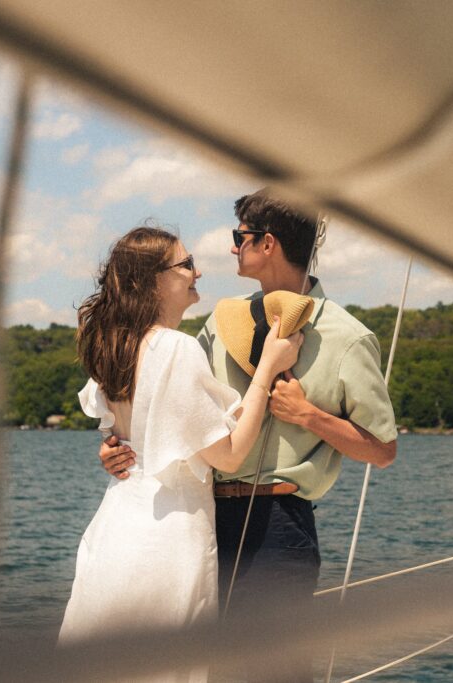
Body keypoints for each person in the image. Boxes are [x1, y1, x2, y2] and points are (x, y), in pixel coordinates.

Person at [99, 191, 398, 681]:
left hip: (278, 524)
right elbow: (168, 400)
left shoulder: (348, 337)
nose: (232, 248)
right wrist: (119, 444)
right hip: (201, 520)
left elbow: (383, 450)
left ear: (268, 244)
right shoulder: (221, 321)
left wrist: (309, 416)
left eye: (240, 237)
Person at [59, 226, 304, 683]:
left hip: (116, 529)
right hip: (167, 537)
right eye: (186, 264)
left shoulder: (112, 346)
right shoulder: (174, 348)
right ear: (152, 280)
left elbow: (121, 436)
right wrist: (268, 367)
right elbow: (228, 455)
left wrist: (111, 449)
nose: (198, 271)